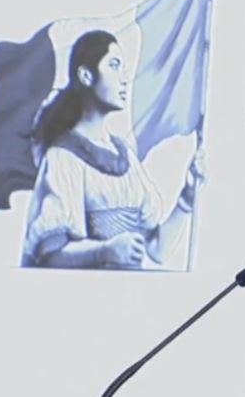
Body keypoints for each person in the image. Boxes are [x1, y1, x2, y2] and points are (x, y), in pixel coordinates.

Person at [21, 30, 202, 269]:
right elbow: (51, 254)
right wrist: (104, 251)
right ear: (86, 76)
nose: (125, 78)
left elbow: (157, 250)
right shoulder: (63, 156)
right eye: (114, 65)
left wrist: (186, 198)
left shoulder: (124, 153)